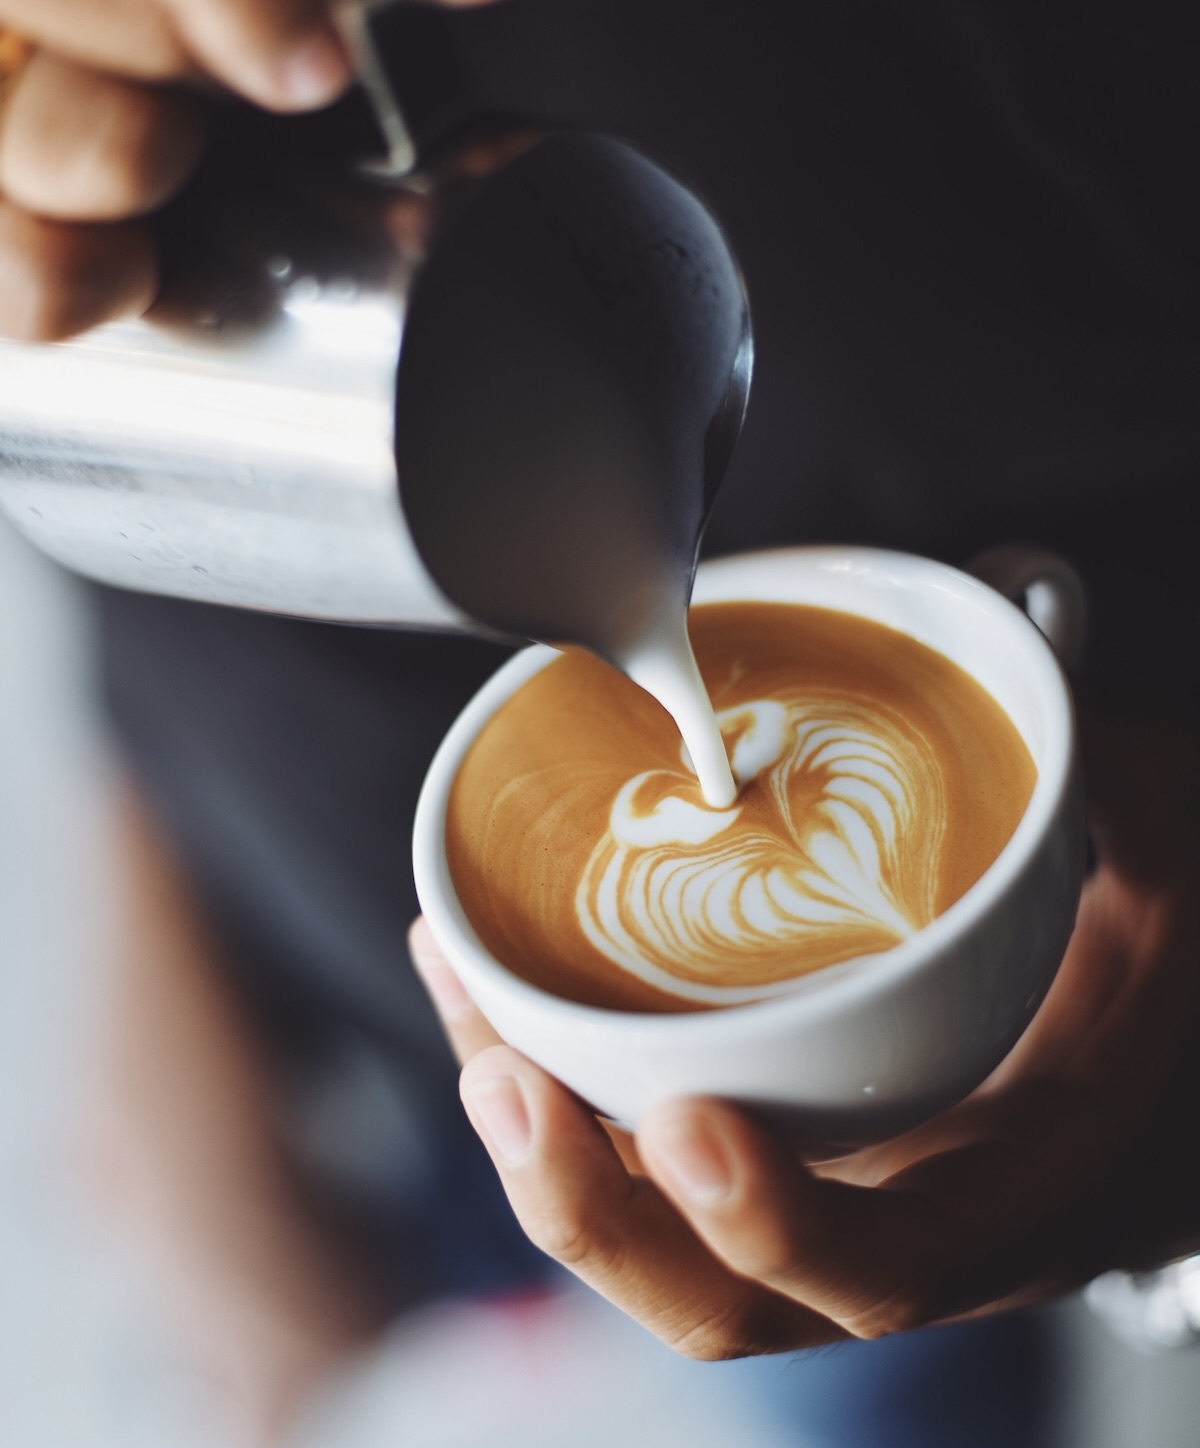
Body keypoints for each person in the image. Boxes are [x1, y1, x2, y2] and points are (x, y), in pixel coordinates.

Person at [1, 0, 1198, 1443]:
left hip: (1019, 1082)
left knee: (864, 1362)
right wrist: (156, 906)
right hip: (341, 1018)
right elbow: (158, 491)